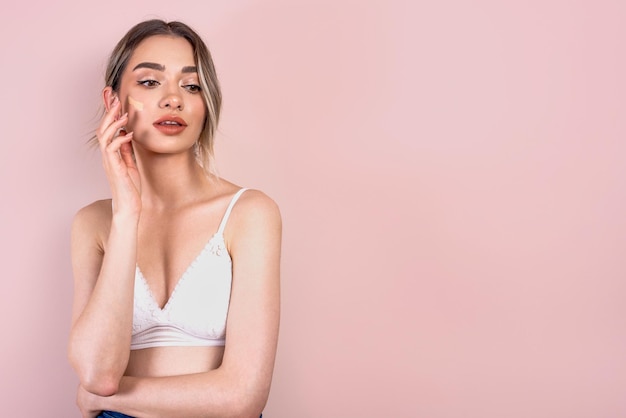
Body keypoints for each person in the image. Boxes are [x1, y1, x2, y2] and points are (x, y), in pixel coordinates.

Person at [68, 19, 281, 418]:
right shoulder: (93, 224)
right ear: (113, 101)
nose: (173, 100)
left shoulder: (250, 214)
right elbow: (98, 370)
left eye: (191, 85)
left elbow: (243, 397)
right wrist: (127, 214)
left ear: (207, 102)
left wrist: (100, 398)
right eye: (150, 82)